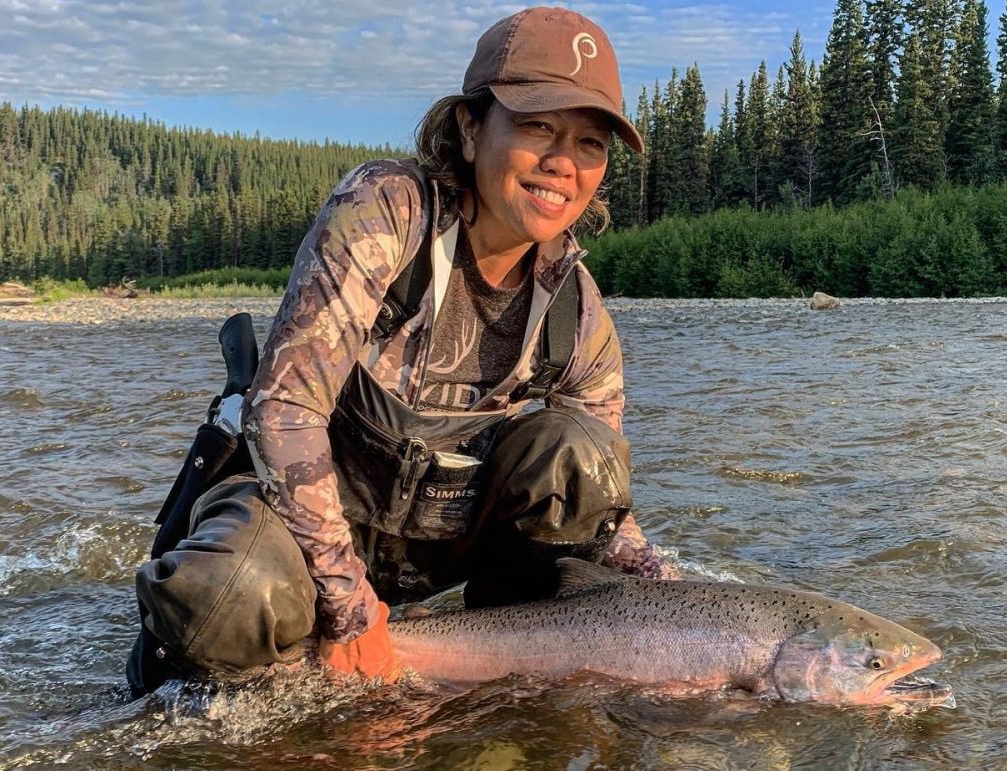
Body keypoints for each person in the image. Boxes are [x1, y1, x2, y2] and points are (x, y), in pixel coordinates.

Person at [127, 6, 675, 697]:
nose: (563, 163)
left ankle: (498, 668)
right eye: (537, 125)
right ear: (471, 129)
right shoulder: (387, 213)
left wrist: (673, 591)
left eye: (590, 143)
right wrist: (353, 613)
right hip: (302, 524)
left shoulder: (577, 307)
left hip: (438, 550)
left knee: (584, 454)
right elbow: (285, 409)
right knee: (231, 598)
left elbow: (603, 512)